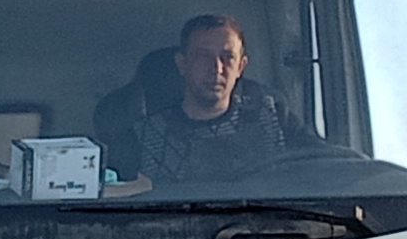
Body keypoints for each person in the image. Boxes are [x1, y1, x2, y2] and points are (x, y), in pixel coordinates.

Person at [97, 11, 292, 193]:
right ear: (182, 64)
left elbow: (318, 168)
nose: (217, 68)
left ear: (241, 67)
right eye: (203, 56)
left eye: (227, 57)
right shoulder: (141, 137)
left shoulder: (274, 116)